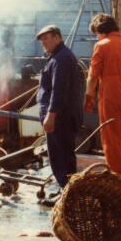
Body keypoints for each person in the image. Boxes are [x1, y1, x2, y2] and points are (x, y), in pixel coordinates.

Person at [84, 14, 121, 179]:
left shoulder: (102, 45)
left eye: (96, 33)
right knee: (119, 138)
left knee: (110, 139)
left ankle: (117, 178)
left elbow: (93, 76)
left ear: (101, 31)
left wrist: (88, 97)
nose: (97, 37)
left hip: (110, 94)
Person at [35, 25, 84, 190]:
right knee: (62, 156)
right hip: (62, 116)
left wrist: (51, 115)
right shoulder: (59, 56)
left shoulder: (61, 58)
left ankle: (67, 191)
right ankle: (67, 191)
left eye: (46, 38)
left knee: (60, 157)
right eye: (41, 40)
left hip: (60, 118)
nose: (43, 42)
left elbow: (59, 89)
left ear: (57, 37)